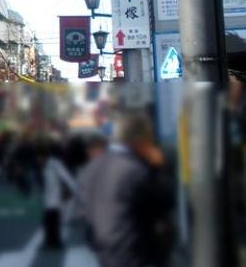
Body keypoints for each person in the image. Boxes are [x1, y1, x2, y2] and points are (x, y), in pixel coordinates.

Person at [79, 113, 174, 267]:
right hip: (136, 252)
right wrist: (158, 168)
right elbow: (164, 202)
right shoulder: (135, 170)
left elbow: (85, 211)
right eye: (149, 140)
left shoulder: (91, 168)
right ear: (140, 140)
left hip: (105, 251)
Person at [40, 140, 77, 250]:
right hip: (52, 198)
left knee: (51, 220)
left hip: (52, 197)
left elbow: (65, 177)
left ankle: (52, 241)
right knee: (52, 221)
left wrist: (73, 189)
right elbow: (65, 178)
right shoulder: (51, 164)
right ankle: (53, 241)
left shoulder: (51, 163)